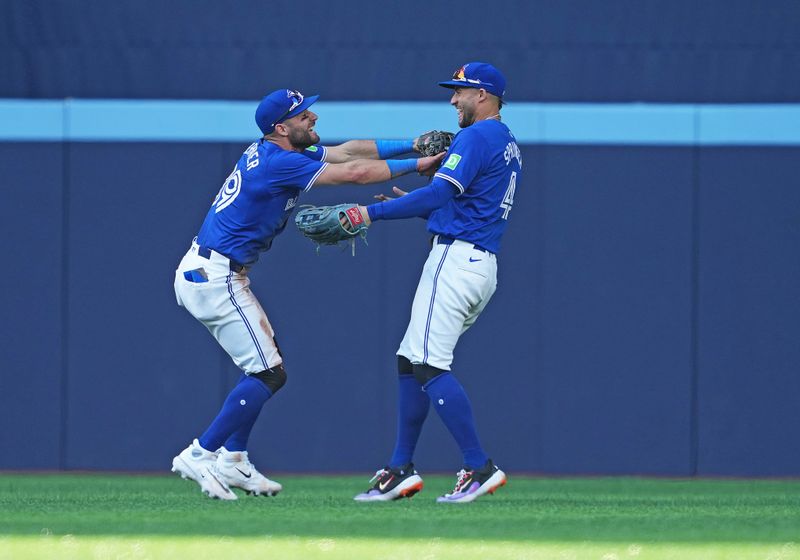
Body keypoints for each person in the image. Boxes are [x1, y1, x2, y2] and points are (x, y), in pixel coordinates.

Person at [171, 88, 445, 500]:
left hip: (213, 270)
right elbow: (354, 174)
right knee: (269, 373)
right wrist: (421, 164)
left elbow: (349, 152)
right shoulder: (280, 163)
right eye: (302, 115)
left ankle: (234, 461)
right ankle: (201, 451)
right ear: (281, 128)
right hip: (214, 276)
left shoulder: (275, 151)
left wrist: (411, 144)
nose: (312, 117)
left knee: (263, 367)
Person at [351, 63, 522, 503]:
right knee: (411, 361)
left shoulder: (477, 136)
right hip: (477, 262)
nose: (453, 100)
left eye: (460, 91)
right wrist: (419, 205)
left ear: (483, 94)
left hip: (456, 260)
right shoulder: (505, 141)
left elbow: (442, 193)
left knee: (428, 364)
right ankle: (399, 468)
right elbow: (465, 206)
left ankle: (479, 466)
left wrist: (370, 213)